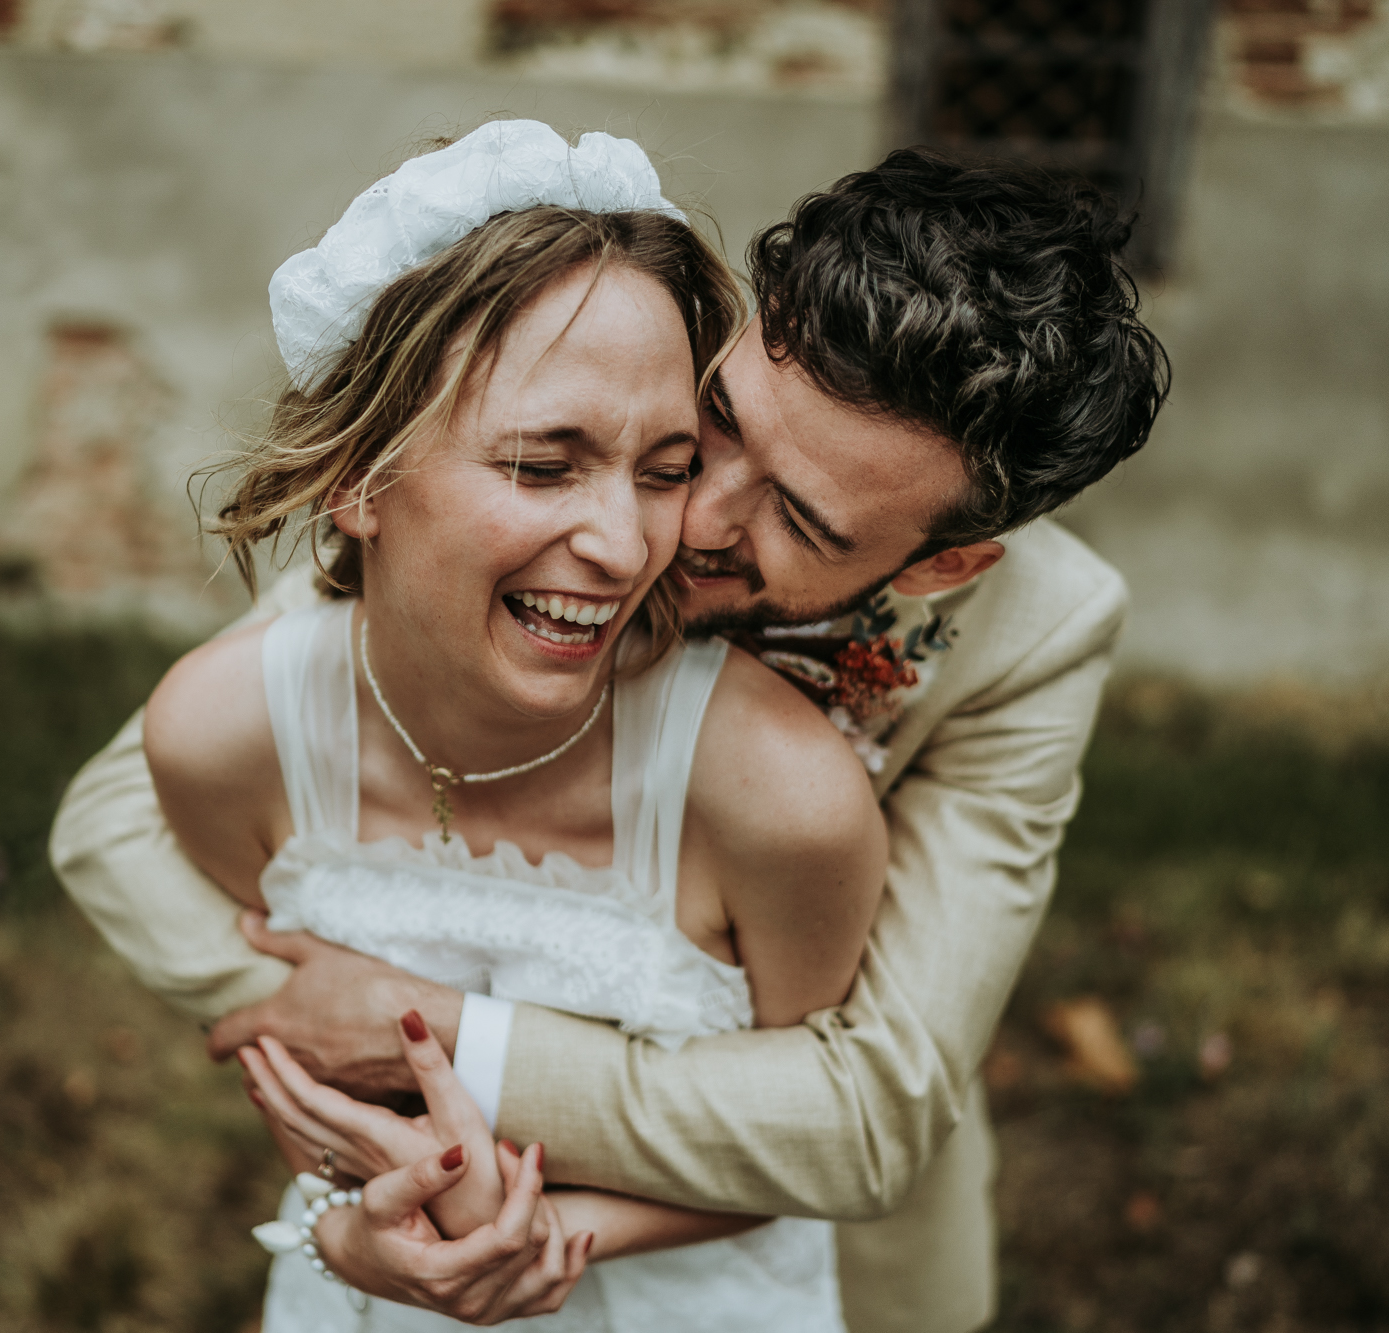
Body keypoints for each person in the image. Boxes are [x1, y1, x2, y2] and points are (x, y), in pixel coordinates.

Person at [54, 138, 1169, 1331]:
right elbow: (124, 811)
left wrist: (436, 1042)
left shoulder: (1037, 632)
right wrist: (329, 1051)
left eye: (798, 521)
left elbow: (865, 1115)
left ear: (943, 565)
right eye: (718, 424)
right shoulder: (581, 436)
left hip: (788, 1224)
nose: (683, 522)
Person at [136, 119, 887, 1330]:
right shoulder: (221, 738)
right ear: (359, 475)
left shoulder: (777, 798)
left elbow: (794, 1150)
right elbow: (302, 1069)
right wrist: (346, 1226)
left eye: (663, 469)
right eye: (544, 465)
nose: (624, 546)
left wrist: (520, 1235)